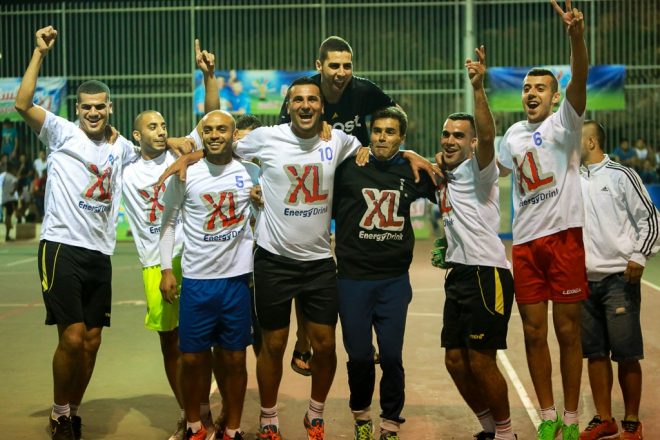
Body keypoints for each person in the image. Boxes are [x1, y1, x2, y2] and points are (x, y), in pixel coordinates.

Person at [15, 26, 138, 440]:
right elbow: (22, 103)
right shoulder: (61, 132)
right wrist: (39, 53)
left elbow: (157, 150)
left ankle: (72, 411)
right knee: (71, 338)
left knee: (92, 341)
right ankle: (59, 413)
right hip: (61, 247)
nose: (93, 113)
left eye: (100, 107)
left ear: (110, 108)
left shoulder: (121, 148)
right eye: (87, 107)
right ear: (77, 108)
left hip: (99, 252)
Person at [239, 77, 366, 440]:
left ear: (322, 107)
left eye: (312, 99)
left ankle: (315, 414)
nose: (306, 105)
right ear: (289, 106)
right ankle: (269, 417)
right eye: (298, 100)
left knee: (325, 344)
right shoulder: (267, 137)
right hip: (273, 260)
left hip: (319, 261)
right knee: (273, 345)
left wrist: (410, 154)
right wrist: (188, 151)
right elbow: (220, 147)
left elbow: (368, 151)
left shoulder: (338, 140)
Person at [496, 2, 589, 439]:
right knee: (533, 333)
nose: (531, 93)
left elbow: (580, 79)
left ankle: (571, 417)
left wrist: (576, 38)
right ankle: (548, 414)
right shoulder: (512, 135)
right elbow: (487, 171)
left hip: (564, 239)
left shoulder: (565, 123)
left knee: (567, 332)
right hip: (526, 244)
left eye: (540, 88)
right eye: (526, 88)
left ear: (554, 96)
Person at [278, 35, 397, 376]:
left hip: (351, 189)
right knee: (307, 264)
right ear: (319, 66)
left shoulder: (364, 90)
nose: (342, 72)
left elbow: (395, 114)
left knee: (356, 263)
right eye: (334, 65)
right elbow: (282, 136)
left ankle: (364, 337)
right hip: (312, 188)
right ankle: (302, 338)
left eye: (347, 65)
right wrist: (313, 125)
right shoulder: (305, 93)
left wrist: (375, 141)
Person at [121, 39, 218, 440]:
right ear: (137, 134)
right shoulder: (125, 167)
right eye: (153, 127)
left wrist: (208, 76)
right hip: (153, 264)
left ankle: (205, 411)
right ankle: (187, 414)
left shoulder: (182, 155)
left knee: (200, 342)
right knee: (171, 344)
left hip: (191, 257)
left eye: (163, 126)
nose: (161, 132)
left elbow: (211, 117)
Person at [333, 106, 436, 440]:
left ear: (401, 138)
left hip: (393, 281)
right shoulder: (348, 167)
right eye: (377, 131)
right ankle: (362, 416)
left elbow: (452, 194)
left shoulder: (412, 170)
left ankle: (391, 421)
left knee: (391, 356)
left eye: (390, 132)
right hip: (352, 280)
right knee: (359, 356)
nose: (381, 137)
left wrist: (414, 156)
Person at [432, 47, 516, 440]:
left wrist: (478, 88)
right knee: (454, 359)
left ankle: (507, 434)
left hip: (487, 273)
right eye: (446, 134)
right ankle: (488, 428)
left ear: (471, 144)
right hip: (459, 274)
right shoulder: (444, 174)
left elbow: (488, 134)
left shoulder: (479, 168)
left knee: (482, 360)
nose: (450, 140)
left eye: (458, 136)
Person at [160, 110, 254, 440]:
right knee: (191, 358)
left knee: (235, 359)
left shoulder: (250, 171)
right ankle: (195, 426)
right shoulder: (185, 173)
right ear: (202, 135)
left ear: (233, 134)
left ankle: (233, 428)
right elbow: (168, 222)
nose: (215, 135)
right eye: (209, 130)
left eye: (222, 130)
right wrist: (166, 269)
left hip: (236, 281)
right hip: (197, 281)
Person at [578, 120, 659, 440]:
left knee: (626, 354)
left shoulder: (621, 175)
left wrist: (639, 256)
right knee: (595, 353)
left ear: (591, 142)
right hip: (583, 281)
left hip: (618, 278)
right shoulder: (571, 177)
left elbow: (650, 219)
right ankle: (604, 419)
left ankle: (632, 420)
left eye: (576, 138)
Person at [2, 161, 18, 241]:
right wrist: (13, 192)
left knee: (7, 215)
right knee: (9, 216)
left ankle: (8, 232)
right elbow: (16, 185)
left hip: (4, 199)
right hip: (10, 199)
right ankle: (7, 234)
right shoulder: (13, 178)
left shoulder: (3, 176)